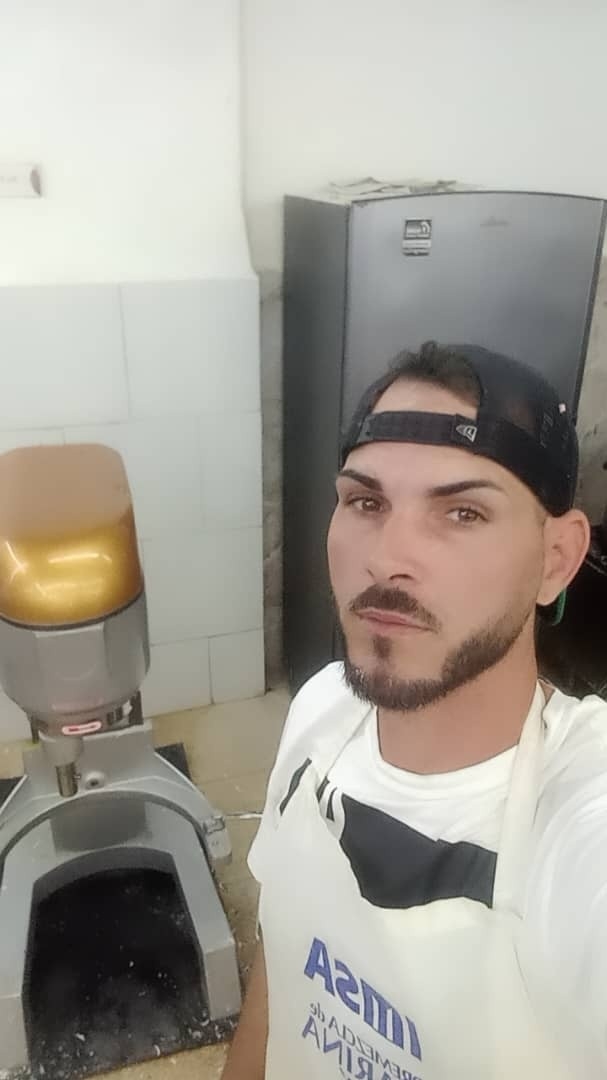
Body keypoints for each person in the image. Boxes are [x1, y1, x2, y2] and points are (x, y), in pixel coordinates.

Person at [221, 341, 607, 1080]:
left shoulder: (578, 828)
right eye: (365, 502)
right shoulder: (321, 710)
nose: (387, 557)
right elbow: (285, 953)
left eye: (462, 512)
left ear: (555, 560)